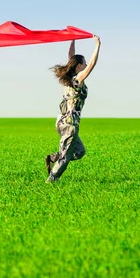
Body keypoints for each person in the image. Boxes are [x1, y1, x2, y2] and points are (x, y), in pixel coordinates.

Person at [45, 34, 101, 183]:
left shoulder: (69, 79)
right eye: (83, 63)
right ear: (78, 66)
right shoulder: (77, 80)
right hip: (70, 124)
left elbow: (71, 57)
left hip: (62, 123)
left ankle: (54, 157)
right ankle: (52, 179)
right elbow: (92, 66)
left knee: (80, 151)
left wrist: (73, 39)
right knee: (67, 156)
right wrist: (97, 46)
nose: (85, 64)